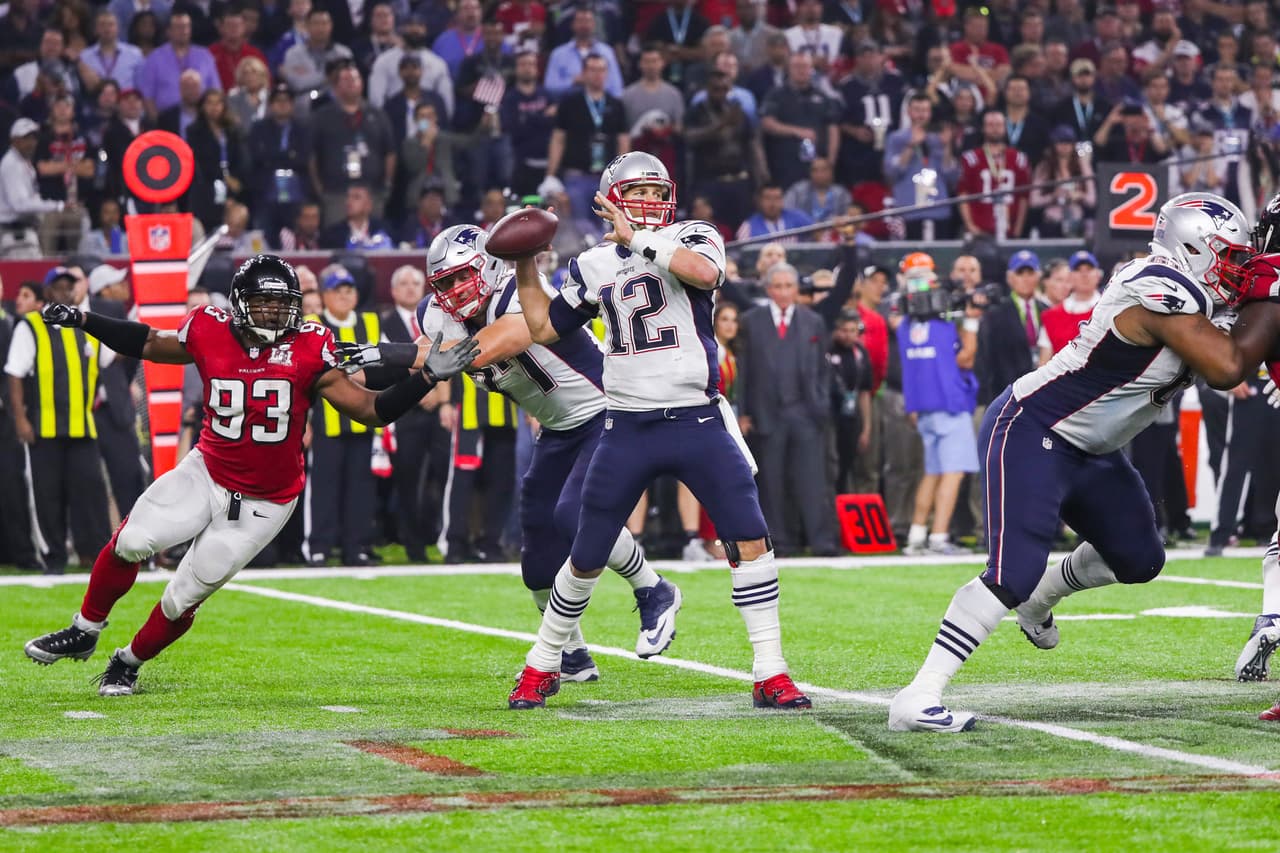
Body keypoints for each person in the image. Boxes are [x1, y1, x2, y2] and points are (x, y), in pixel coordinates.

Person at [23, 255, 479, 695]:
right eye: (263, 303)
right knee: (131, 541)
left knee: (183, 595)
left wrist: (424, 380)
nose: (274, 313)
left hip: (266, 500)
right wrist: (86, 321)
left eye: (283, 305)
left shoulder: (309, 345)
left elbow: (370, 410)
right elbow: (145, 341)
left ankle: (127, 663)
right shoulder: (208, 327)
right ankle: (84, 628)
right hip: (207, 469)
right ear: (239, 303)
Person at [889, 193, 1257, 732]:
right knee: (1009, 573)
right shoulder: (1157, 284)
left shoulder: (1198, 295)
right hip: (1033, 426)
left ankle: (1044, 592)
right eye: (1228, 257)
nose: (1237, 271)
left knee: (1139, 559)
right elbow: (1228, 366)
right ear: (1191, 248)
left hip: (1092, 449)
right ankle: (918, 696)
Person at [507, 151, 810, 711]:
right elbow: (544, 327)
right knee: (587, 549)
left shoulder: (693, 234)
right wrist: (526, 266)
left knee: (748, 534)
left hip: (696, 416)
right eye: (636, 193)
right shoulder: (593, 263)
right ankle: (542, 665)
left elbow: (706, 273)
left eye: (655, 192)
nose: (648, 202)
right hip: (626, 425)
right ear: (610, 199)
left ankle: (771, 671)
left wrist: (639, 240)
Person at [351, 224, 678, 681]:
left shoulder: (522, 293)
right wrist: (339, 365)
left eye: (462, 277)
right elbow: (422, 357)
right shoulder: (437, 316)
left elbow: (480, 350)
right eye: (444, 283)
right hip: (559, 428)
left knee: (574, 514)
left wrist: (380, 351)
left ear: (489, 267)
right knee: (538, 550)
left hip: (607, 411)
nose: (453, 291)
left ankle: (653, 588)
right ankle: (571, 652)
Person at [5, 270, 113, 574]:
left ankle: (92, 554)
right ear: (48, 292)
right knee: (47, 495)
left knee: (89, 492)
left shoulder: (88, 326)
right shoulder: (31, 326)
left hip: (82, 425)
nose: (65, 292)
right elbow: (14, 374)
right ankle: (54, 557)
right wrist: (21, 420)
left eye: (70, 287)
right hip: (45, 427)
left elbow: (110, 359)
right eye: (59, 287)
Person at [738, 261, 840, 556]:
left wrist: (820, 404)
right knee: (771, 481)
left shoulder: (813, 321)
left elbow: (822, 368)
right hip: (765, 415)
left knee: (812, 480)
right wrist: (743, 412)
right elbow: (744, 370)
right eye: (778, 286)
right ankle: (779, 541)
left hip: (806, 413)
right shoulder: (751, 319)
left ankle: (820, 541)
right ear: (768, 289)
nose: (783, 292)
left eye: (789, 286)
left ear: (797, 289)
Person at [897, 254, 979, 557]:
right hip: (949, 403)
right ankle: (939, 537)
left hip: (923, 405)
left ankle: (917, 536)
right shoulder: (943, 323)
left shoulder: (905, 323)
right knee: (953, 472)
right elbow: (966, 357)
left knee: (932, 471)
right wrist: (971, 320)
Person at [1038, 250, 1101, 362]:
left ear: (1098, 274)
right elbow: (1044, 363)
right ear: (1070, 276)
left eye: (1089, 269)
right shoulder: (1051, 317)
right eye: (1078, 270)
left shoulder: (1112, 309)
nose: (1084, 274)